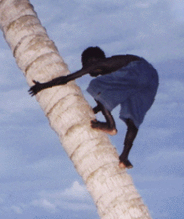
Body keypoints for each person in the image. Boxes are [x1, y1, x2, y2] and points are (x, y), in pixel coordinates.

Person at [28, 47, 159, 169]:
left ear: (91, 60)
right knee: (132, 119)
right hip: (151, 77)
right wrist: (93, 110)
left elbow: (67, 79)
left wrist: (42, 86)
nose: (87, 69)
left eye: (85, 65)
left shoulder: (100, 63)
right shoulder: (117, 71)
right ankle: (124, 157)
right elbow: (106, 99)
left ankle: (110, 125)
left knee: (96, 85)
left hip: (138, 68)